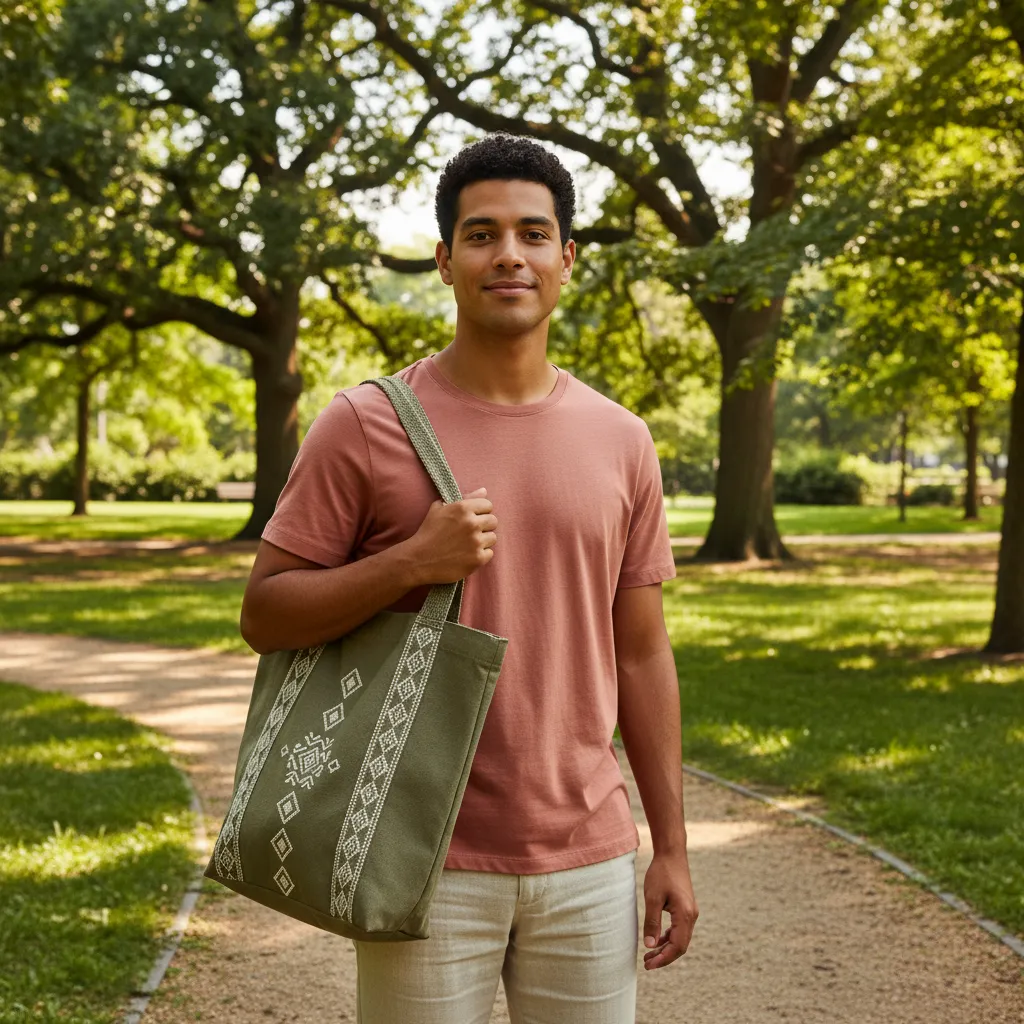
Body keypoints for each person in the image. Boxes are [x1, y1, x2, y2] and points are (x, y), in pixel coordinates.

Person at [239, 133, 698, 1024]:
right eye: (482, 235)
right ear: (446, 260)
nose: (509, 255)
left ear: (567, 259)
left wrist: (670, 848)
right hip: (420, 849)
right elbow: (266, 613)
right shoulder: (363, 424)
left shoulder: (622, 439)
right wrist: (409, 563)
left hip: (591, 859)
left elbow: (642, 655)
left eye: (533, 234)